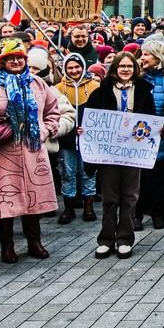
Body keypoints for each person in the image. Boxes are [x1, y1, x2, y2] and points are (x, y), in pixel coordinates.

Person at [0, 40, 62, 263]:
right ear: (1, 61)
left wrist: (45, 130)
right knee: (5, 198)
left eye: (20, 57)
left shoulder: (37, 83)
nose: (16, 61)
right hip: (2, 151)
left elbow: (53, 111)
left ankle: (34, 242)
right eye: (10, 58)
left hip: (33, 150)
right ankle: (7, 246)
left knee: (34, 198)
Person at [84, 51, 154, 259]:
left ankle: (125, 238)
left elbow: (151, 118)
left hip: (133, 151)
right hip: (109, 152)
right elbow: (91, 119)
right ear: (115, 68)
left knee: (130, 196)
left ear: (135, 69)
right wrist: (84, 130)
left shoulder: (143, 91)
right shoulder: (100, 92)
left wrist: (157, 130)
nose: (126, 70)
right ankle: (106, 239)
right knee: (110, 197)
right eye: (122, 66)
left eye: (129, 66)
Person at [135, 40, 164, 230]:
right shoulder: (137, 77)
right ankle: (136, 214)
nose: (142, 58)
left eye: (146, 54)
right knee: (138, 178)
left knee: (159, 177)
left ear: (157, 56)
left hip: (161, 136)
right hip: (137, 136)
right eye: (142, 54)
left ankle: (158, 213)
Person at [53, 54, 100, 224]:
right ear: (65, 69)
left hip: (89, 139)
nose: (74, 70)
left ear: (83, 67)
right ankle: (69, 208)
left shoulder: (95, 86)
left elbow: (101, 113)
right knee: (67, 173)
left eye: (77, 67)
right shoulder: (57, 88)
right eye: (70, 68)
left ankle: (89, 206)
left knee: (88, 172)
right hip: (67, 140)